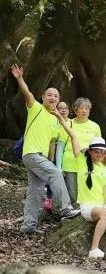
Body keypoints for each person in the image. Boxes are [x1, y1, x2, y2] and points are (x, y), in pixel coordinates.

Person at [10, 64, 80, 233]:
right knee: (55, 173)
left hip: (40, 157)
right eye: (49, 95)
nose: (53, 98)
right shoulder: (36, 108)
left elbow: (53, 143)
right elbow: (27, 93)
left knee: (35, 191)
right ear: (43, 97)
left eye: (56, 96)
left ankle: (28, 226)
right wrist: (20, 78)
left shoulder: (55, 120)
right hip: (31, 153)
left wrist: (50, 160)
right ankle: (65, 208)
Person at [58, 98, 101, 208]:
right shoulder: (68, 124)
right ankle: (74, 213)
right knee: (72, 193)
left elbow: (99, 148)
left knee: (87, 191)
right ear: (75, 110)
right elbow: (60, 146)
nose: (84, 110)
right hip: (70, 163)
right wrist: (58, 167)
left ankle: (86, 213)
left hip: (88, 164)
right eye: (81, 108)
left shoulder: (95, 126)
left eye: (87, 108)